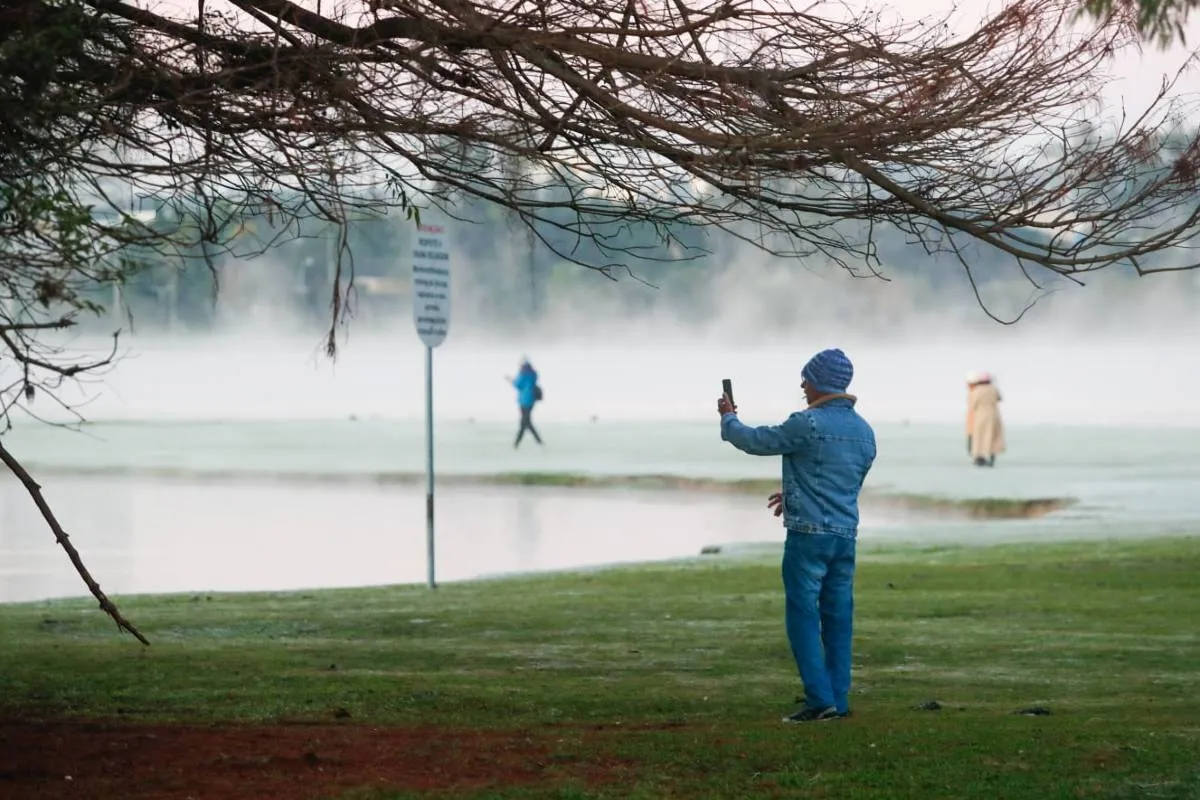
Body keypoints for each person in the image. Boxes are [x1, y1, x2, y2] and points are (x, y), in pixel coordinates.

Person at [717, 348, 876, 723]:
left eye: (806, 378)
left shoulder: (808, 423)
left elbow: (756, 440)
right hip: (844, 536)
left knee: (803, 614)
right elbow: (841, 484)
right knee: (839, 616)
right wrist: (793, 495)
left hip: (808, 537)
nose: (802, 385)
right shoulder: (865, 433)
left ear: (820, 382)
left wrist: (728, 419)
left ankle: (819, 699)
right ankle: (838, 697)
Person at [965, 371, 1005, 467]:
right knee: (993, 437)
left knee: (979, 437)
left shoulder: (977, 391)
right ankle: (992, 458)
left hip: (981, 416)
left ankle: (979, 458)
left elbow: (973, 404)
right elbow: (999, 398)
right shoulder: (994, 389)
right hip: (994, 415)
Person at [508, 359, 543, 449]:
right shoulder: (533, 375)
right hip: (531, 400)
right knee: (526, 422)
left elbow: (518, 384)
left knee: (525, 423)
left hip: (524, 401)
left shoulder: (523, 375)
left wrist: (511, 380)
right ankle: (538, 441)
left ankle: (516, 444)